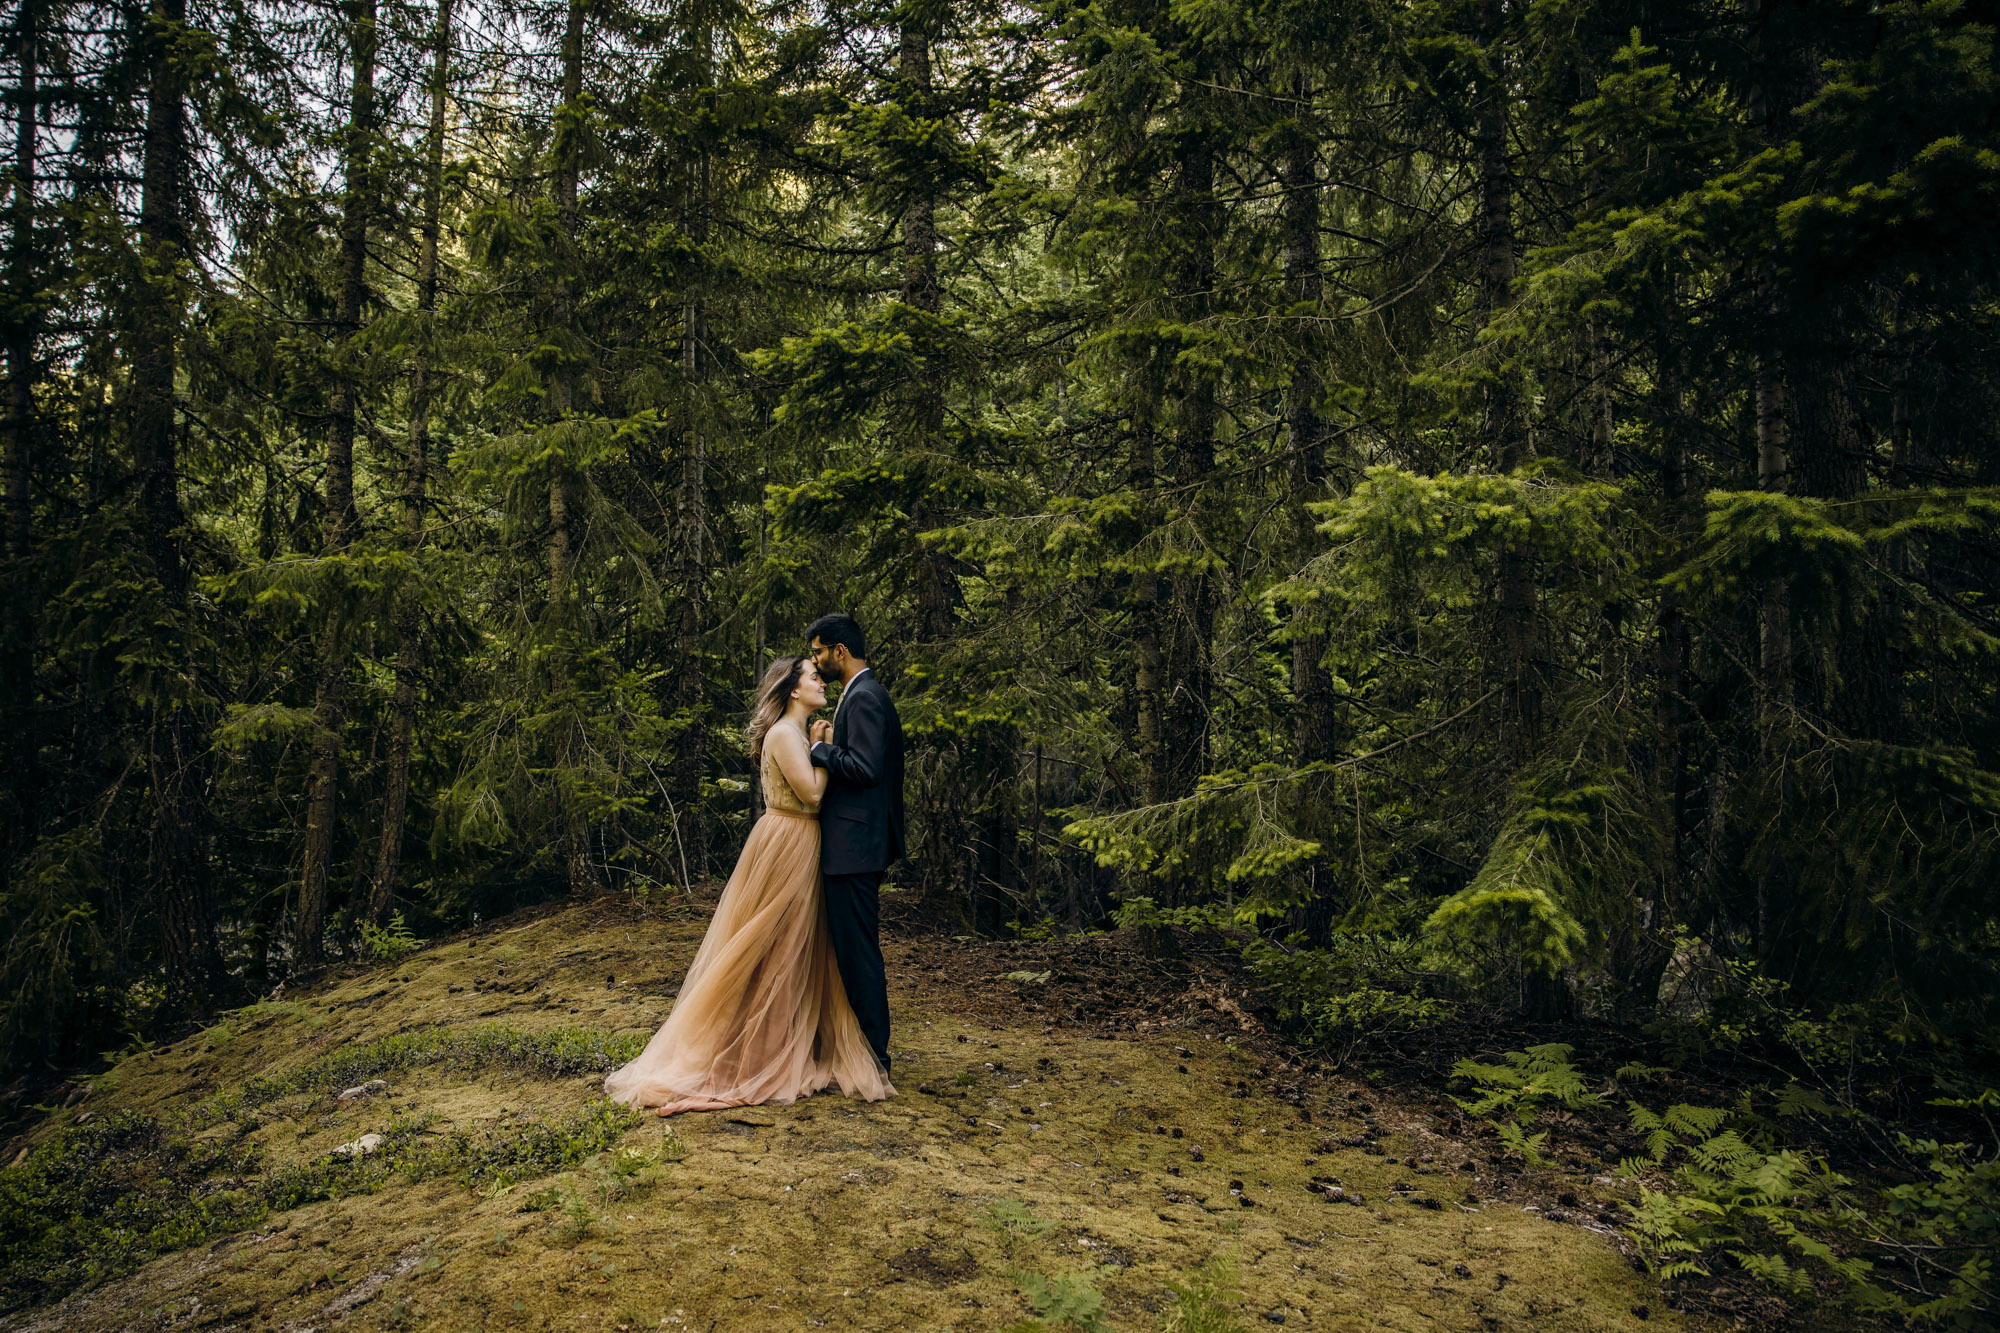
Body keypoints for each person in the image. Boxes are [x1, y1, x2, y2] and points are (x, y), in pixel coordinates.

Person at [602, 655, 893, 1116]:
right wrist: (821, 749)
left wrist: (817, 741)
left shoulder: (797, 731)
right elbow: (813, 795)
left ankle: (786, 1040)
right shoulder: (784, 733)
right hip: (790, 839)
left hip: (800, 841)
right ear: (794, 690)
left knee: (795, 948)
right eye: (813, 677)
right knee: (771, 946)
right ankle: (754, 1051)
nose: (822, 682)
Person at [804, 612, 906, 1077]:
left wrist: (819, 751)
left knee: (858, 952)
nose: (816, 660)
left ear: (839, 652)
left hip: (854, 848)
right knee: (853, 949)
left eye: (819, 652)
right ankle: (863, 1051)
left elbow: (865, 768)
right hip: (857, 845)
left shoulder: (864, 698)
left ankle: (875, 1059)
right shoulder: (862, 694)